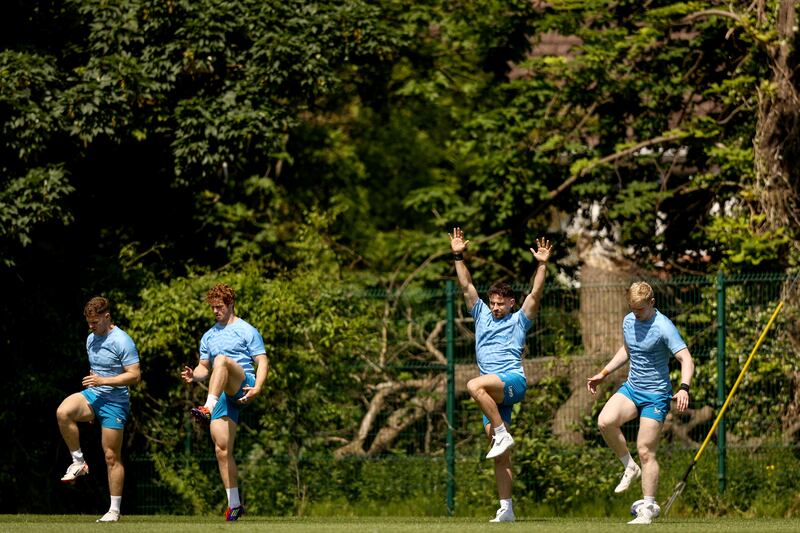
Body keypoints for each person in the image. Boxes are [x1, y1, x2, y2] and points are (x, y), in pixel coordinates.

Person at [449, 227, 552, 523]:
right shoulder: (480, 313)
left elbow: (536, 293)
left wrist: (542, 265)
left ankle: (503, 434)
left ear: (510, 304)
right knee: (499, 453)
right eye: (492, 303)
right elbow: (467, 285)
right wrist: (458, 255)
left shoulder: (520, 320)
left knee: (473, 385)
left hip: (511, 382)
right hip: (492, 396)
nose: (494, 307)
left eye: (499, 304)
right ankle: (506, 508)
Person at [586, 281, 695, 525]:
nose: (636, 314)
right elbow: (627, 350)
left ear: (651, 303)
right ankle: (629, 466)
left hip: (656, 394)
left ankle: (648, 506)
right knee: (605, 421)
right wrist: (603, 374)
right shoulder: (628, 321)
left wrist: (684, 388)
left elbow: (686, 359)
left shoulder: (663, 326)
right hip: (633, 388)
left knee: (645, 450)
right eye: (632, 309)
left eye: (641, 310)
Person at [181, 283, 269, 522]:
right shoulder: (208, 335)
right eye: (212, 307)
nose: (215, 311)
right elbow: (203, 368)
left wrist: (258, 387)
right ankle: (235, 505)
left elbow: (262, 361)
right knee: (221, 450)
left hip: (243, 383)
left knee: (222, 360)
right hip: (223, 396)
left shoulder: (246, 330)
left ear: (230, 304)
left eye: (219, 307)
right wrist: (194, 375)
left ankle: (207, 408)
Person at [56, 296, 141, 523]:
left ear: (107, 317)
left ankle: (113, 511)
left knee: (111, 456)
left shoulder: (122, 341)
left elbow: (135, 375)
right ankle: (78, 462)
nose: (91, 326)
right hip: (94, 396)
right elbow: (95, 373)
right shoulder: (90, 339)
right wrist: (93, 405)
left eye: (95, 322)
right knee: (63, 412)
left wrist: (103, 381)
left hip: (116, 401)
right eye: (89, 322)